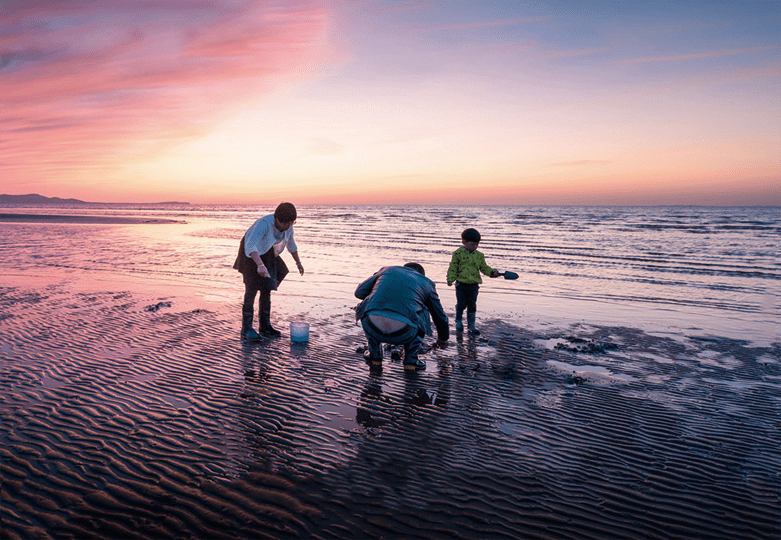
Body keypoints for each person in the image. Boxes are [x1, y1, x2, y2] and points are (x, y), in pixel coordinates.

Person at [355, 263, 449, 370]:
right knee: (423, 309)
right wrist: (443, 338)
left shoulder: (387, 269)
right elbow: (439, 315)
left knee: (371, 304)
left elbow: (359, 293)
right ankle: (411, 360)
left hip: (371, 325)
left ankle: (374, 356)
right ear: (422, 275)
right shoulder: (427, 283)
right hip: (404, 331)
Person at [233, 202, 304, 340]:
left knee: (267, 287)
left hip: (266, 251)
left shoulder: (288, 227)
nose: (288, 226)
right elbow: (251, 245)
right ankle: (246, 329)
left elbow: (291, 244)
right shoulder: (264, 224)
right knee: (251, 289)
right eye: (286, 223)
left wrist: (298, 262)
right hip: (250, 252)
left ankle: (265, 326)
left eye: (291, 223)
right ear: (277, 219)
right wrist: (259, 265)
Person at [446, 228, 499, 335]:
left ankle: (471, 325)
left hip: (474, 285)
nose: (474, 247)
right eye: (472, 244)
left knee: (472, 304)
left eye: (476, 244)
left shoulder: (479, 256)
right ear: (464, 242)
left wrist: (492, 273)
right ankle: (458, 321)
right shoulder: (457, 254)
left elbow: (484, 267)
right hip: (461, 284)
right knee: (461, 304)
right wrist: (450, 279)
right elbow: (453, 267)